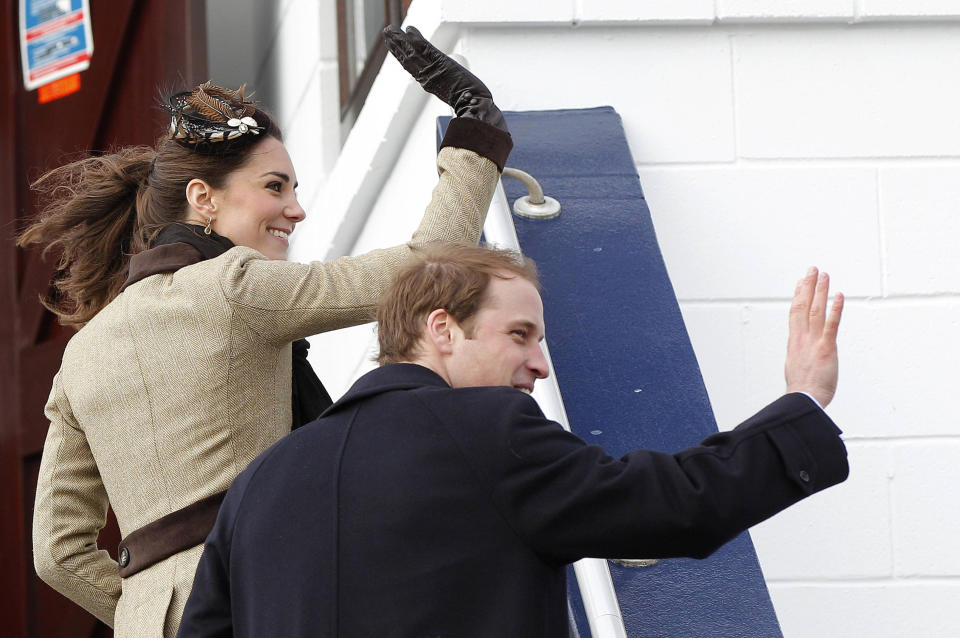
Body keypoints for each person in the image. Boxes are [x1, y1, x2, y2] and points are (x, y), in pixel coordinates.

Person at [24, 27, 512, 638]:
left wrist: (148, 612)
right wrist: (476, 133)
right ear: (203, 200)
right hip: (266, 597)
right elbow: (426, 267)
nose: (296, 209)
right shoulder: (236, 288)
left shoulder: (82, 352)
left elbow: (58, 551)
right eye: (275, 187)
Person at [177, 243, 849, 638]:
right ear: (441, 330)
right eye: (519, 336)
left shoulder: (258, 484)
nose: (540, 364)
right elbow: (673, 504)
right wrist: (802, 405)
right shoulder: (488, 431)